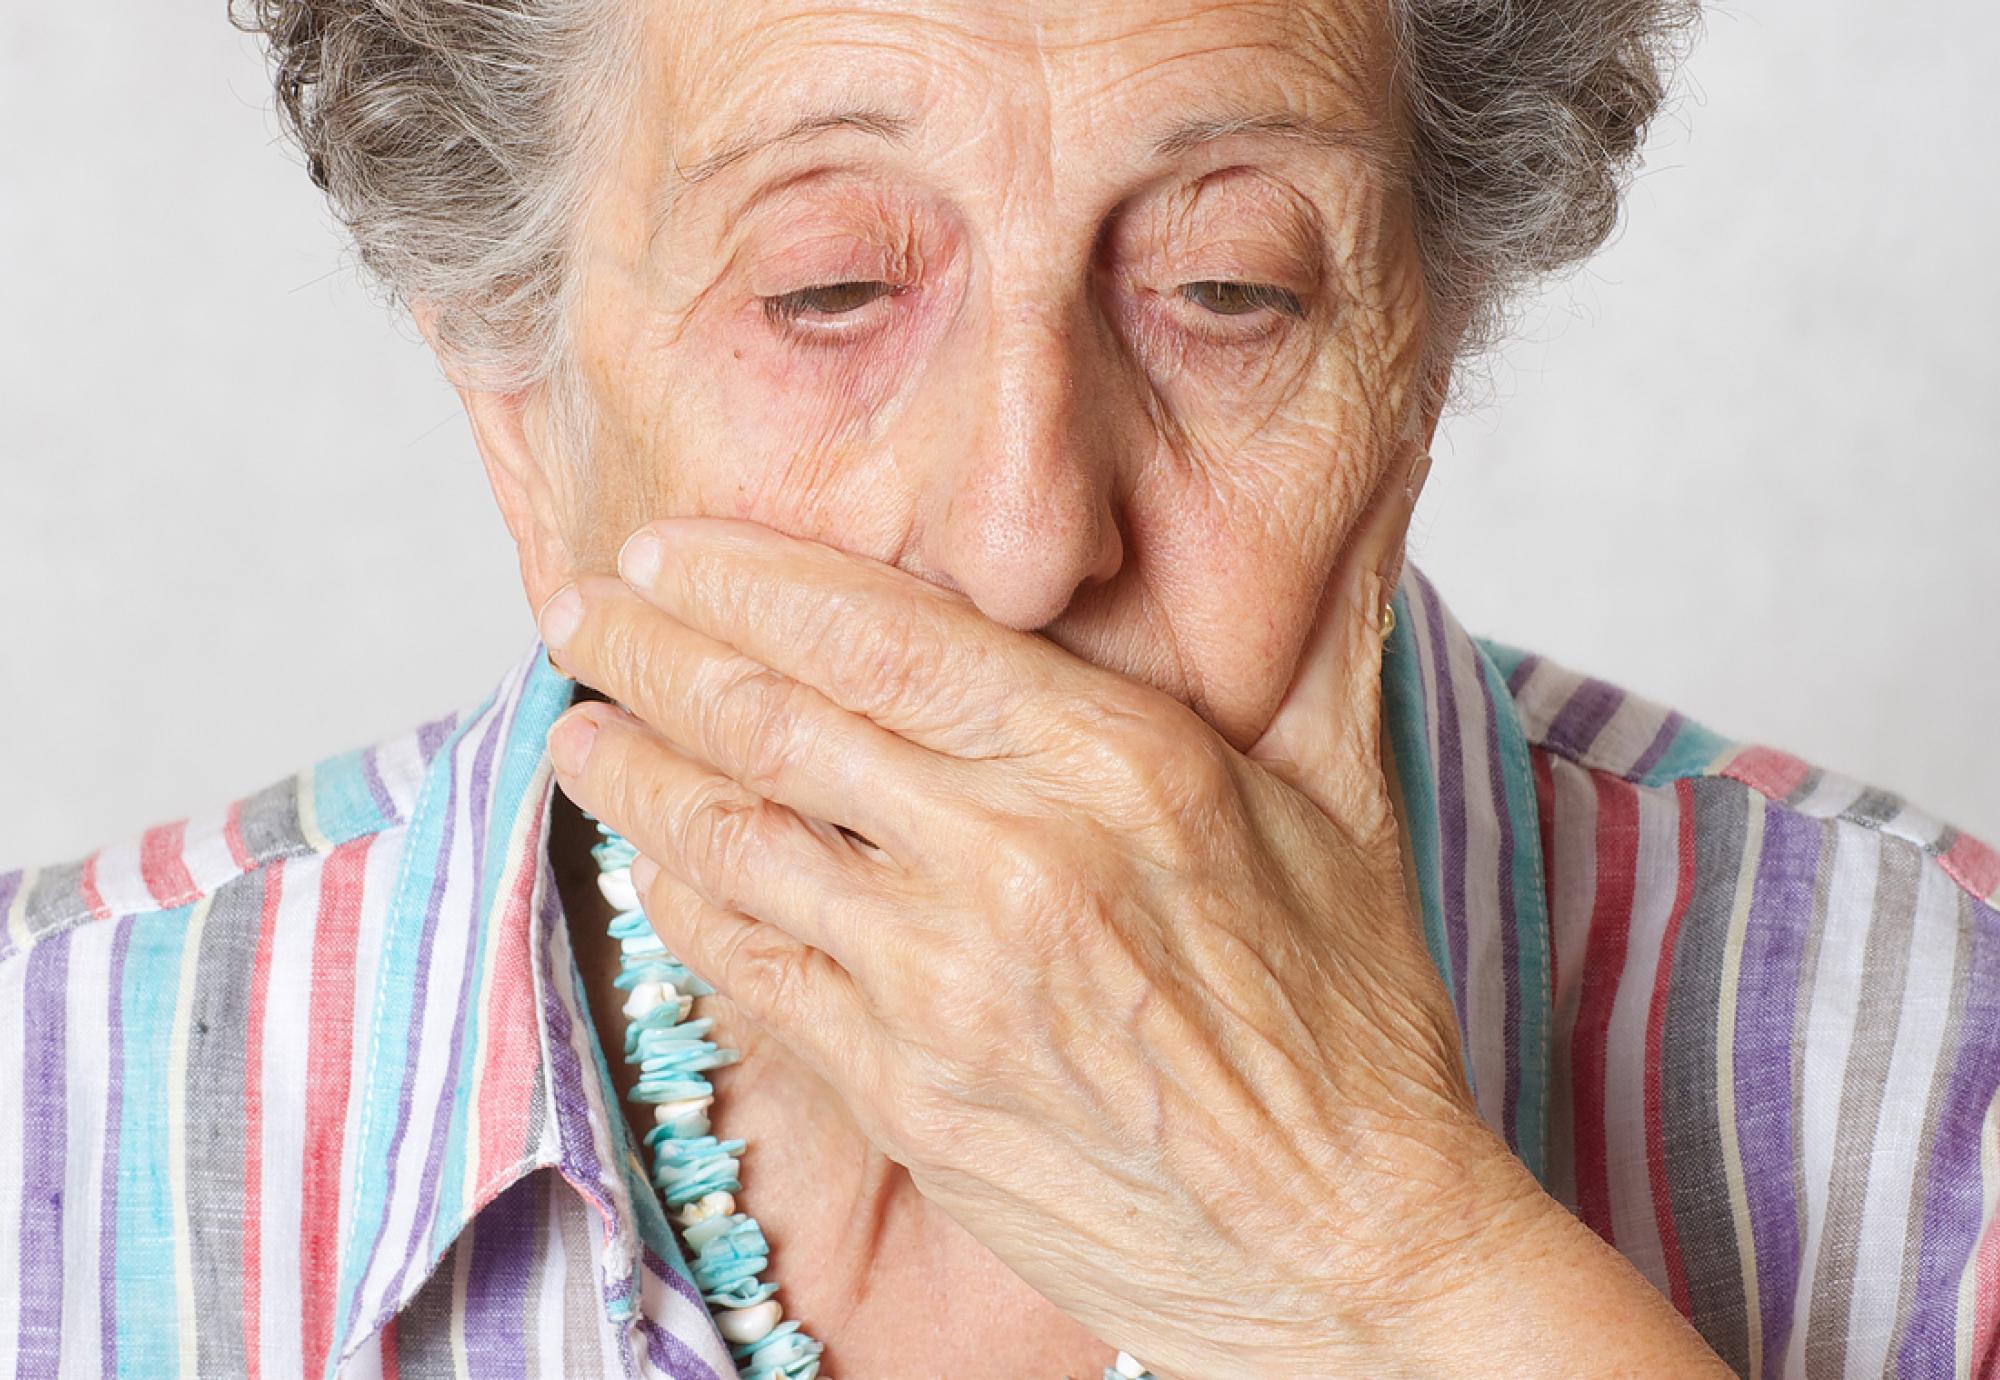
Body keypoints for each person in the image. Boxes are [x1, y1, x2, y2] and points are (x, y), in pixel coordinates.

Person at [2, 0, 1994, 1376]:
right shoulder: (42, 1107)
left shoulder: (1955, 1092)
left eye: (1227, 290)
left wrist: (1381, 1263)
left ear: (1420, 348)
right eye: (830, 291)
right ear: (515, 402)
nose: (1031, 529)